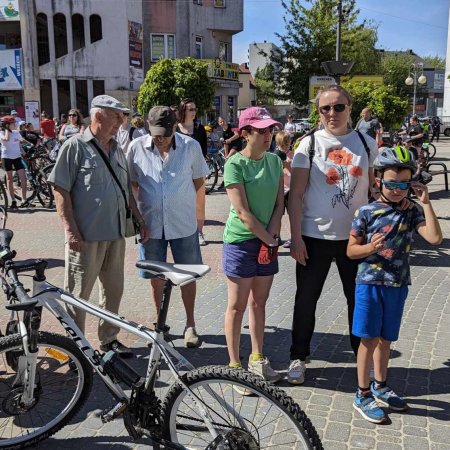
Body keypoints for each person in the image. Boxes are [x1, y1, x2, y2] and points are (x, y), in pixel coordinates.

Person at [287, 85, 380, 385]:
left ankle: (361, 359)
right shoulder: (309, 144)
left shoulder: (366, 145)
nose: (331, 113)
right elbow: (296, 194)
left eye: (338, 107)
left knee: (358, 301)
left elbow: (373, 190)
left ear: (350, 109)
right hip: (314, 237)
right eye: (325, 108)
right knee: (306, 301)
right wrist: (296, 237)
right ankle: (298, 357)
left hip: (355, 239)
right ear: (318, 111)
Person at [48, 95, 148, 358]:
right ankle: (76, 350)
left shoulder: (116, 148)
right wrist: (70, 229)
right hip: (85, 237)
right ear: (98, 116)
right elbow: (60, 189)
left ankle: (109, 340)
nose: (121, 122)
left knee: (114, 291)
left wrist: (138, 218)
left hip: (115, 234)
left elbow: (125, 189)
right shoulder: (75, 146)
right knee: (77, 295)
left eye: (123, 117)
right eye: (117, 116)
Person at [348, 146, 442, 423]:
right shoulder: (366, 212)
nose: (398, 190)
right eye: (392, 184)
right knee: (368, 339)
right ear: (379, 180)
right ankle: (362, 393)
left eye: (404, 184)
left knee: (386, 339)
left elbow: (435, 238)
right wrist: (368, 248)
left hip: (397, 284)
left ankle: (380, 385)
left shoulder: (412, 211)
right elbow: (350, 251)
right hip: (369, 283)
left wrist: (426, 202)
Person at [127, 106, 209, 348]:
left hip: (183, 223)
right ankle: (160, 324)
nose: (160, 138)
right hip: (150, 225)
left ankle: (190, 324)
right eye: (155, 132)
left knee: (188, 274)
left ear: (175, 127)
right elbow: (132, 185)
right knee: (156, 277)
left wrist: (199, 218)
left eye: (165, 132)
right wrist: (136, 218)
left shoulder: (190, 147)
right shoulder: (136, 147)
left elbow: (199, 183)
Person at [223, 106, 284, 384]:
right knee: (237, 306)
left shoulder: (274, 161)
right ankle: (234, 366)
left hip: (267, 239)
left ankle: (257, 358)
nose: (268, 135)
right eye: (261, 131)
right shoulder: (234, 164)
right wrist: (268, 240)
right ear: (245, 133)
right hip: (240, 242)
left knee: (259, 303)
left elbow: (278, 204)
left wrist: (271, 239)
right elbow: (244, 213)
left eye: (270, 130)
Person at [177, 98, 208, 246]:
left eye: (195, 109)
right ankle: (183, 230)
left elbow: (204, 150)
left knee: (199, 203)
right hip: (179, 172)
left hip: (197, 171)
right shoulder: (175, 129)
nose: (194, 112)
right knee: (181, 202)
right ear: (183, 110)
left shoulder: (199, 129)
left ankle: (199, 232)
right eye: (191, 109)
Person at [0, 115, 29, 208]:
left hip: (17, 157)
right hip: (7, 157)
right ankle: (13, 200)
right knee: (9, 179)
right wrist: (6, 130)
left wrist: (26, 152)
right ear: (7, 125)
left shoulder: (16, 132)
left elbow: (20, 143)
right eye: (12, 124)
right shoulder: (1, 133)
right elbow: (6, 139)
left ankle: (24, 199)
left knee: (23, 177)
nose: (15, 125)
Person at [273, 131, 293, 248]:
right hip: (279, 190)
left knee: (293, 215)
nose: (285, 147)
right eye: (283, 144)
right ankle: (277, 236)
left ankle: (293, 237)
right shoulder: (276, 155)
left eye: (287, 144)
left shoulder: (292, 154)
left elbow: (294, 172)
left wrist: (288, 166)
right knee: (278, 214)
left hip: (290, 189)